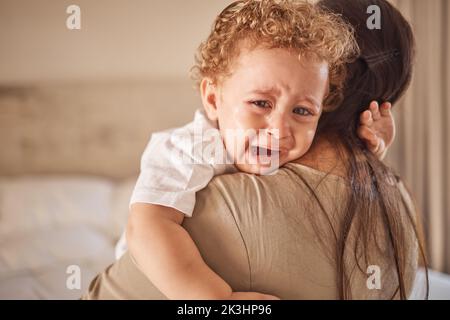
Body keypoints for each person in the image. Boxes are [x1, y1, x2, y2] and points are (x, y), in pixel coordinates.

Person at [89, 0, 413, 300]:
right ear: (214, 99)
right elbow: (146, 227)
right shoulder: (189, 149)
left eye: (302, 111)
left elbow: (331, 176)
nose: (279, 129)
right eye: (260, 103)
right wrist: (217, 298)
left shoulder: (289, 147)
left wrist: (371, 147)